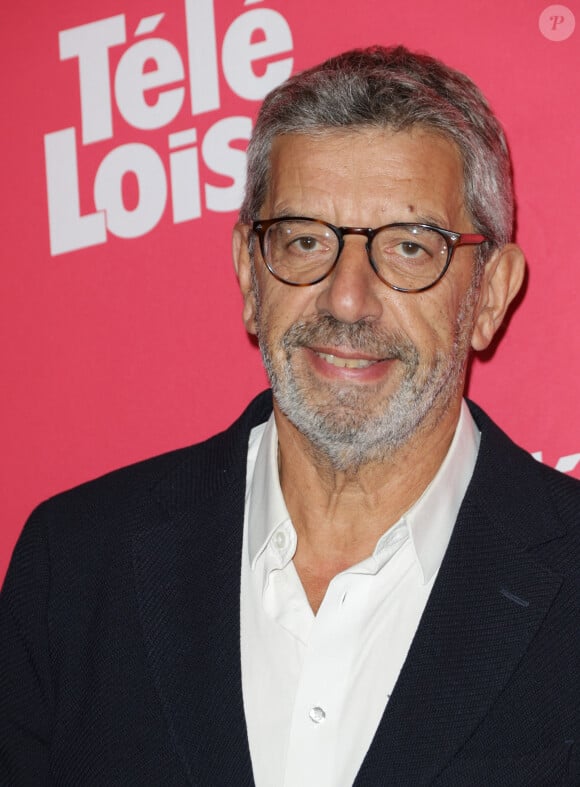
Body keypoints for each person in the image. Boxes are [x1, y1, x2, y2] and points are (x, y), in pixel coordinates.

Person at [1, 45, 579, 787]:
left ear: (490, 295)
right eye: (306, 240)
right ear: (249, 272)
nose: (346, 298)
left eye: (408, 248)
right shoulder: (77, 567)